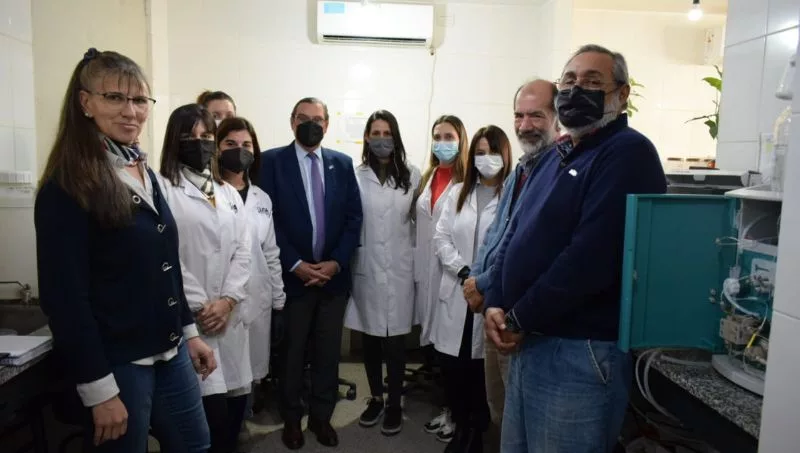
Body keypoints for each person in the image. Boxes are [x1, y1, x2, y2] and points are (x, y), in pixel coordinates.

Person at [484, 44, 668, 453]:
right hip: (530, 340)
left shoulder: (627, 152)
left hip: (577, 351)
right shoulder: (558, 155)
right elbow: (513, 234)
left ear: (622, 94)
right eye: (568, 80)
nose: (575, 89)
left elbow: (591, 258)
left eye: (592, 81)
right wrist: (495, 301)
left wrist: (518, 315)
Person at [34, 48, 215, 453]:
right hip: (119, 363)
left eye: (139, 100)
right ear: (85, 102)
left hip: (170, 350)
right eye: (114, 97)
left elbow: (166, 265)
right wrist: (99, 390)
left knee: (196, 444)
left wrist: (189, 333)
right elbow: (65, 300)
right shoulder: (67, 186)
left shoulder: (142, 169)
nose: (131, 111)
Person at [258, 97, 363, 450]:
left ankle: (321, 417)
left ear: (327, 125)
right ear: (292, 122)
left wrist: (336, 262)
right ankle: (291, 418)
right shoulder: (271, 162)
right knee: (292, 353)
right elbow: (267, 219)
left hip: (333, 279)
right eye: (303, 118)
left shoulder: (342, 164)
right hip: (292, 279)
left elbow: (354, 218)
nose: (310, 125)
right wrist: (295, 264)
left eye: (317, 119)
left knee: (328, 353)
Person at [462, 79, 559, 433]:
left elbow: (527, 244)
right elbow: (496, 234)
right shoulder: (522, 170)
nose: (525, 124)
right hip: (494, 303)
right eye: (519, 115)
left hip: (517, 312)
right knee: (499, 408)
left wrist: (483, 283)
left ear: (557, 117)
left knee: (520, 415)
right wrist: (476, 278)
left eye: (536, 115)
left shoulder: (556, 170)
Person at [157, 104, 252, 453]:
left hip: (228, 316)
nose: (199, 143)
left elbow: (244, 251)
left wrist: (227, 300)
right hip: (193, 321)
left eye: (206, 136)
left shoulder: (228, 193)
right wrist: (202, 306)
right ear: (174, 141)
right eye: (189, 136)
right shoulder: (163, 189)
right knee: (202, 424)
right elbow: (166, 255)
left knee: (232, 415)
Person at [432, 125, 511, 453]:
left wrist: (482, 280)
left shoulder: (512, 195)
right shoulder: (458, 192)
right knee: (455, 367)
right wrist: (465, 273)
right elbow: (441, 237)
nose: (485, 158)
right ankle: (461, 428)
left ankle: (477, 434)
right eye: (479, 152)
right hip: (457, 290)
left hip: (489, 295)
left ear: (505, 155)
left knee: (482, 372)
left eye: (492, 152)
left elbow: (509, 247)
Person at [343, 110, 421, 436]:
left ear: (396, 136)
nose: (381, 139)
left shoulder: (413, 175)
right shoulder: (356, 175)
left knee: (396, 342)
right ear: (366, 137)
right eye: (375, 133)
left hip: (400, 269)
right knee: (371, 338)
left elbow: (419, 221)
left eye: (387, 133)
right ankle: (376, 397)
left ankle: (394, 404)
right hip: (367, 267)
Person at [215, 116, 286, 413]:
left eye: (246, 144)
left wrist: (279, 299)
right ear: (217, 147)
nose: (239, 150)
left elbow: (270, 252)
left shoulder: (261, 198)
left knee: (250, 373)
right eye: (230, 143)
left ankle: (241, 420)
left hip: (257, 295)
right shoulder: (209, 193)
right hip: (220, 299)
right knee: (218, 376)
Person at [414, 114, 468, 443]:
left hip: (451, 274)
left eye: (449, 137)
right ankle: (447, 409)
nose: (442, 142)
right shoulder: (427, 177)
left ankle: (457, 414)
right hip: (426, 273)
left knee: (452, 352)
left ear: (461, 141)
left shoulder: (467, 181)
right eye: (437, 136)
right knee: (435, 348)